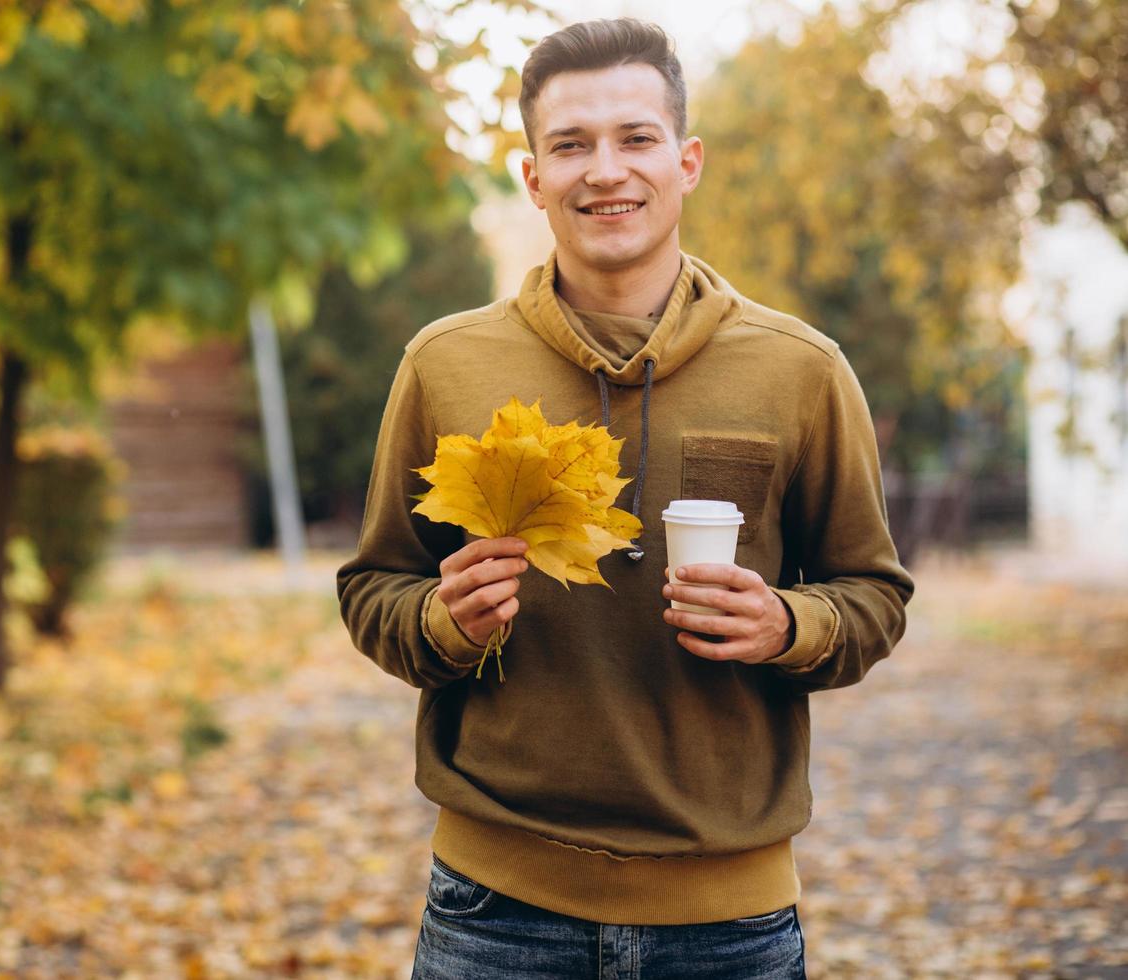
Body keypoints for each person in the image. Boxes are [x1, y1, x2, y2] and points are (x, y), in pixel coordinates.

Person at [336, 17, 913, 979]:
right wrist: (442, 622)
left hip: (731, 917)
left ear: (686, 161)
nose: (605, 170)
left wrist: (787, 625)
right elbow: (371, 588)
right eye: (570, 145)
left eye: (635, 138)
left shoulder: (801, 371)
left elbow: (874, 596)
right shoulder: (445, 365)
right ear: (533, 177)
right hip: (494, 911)